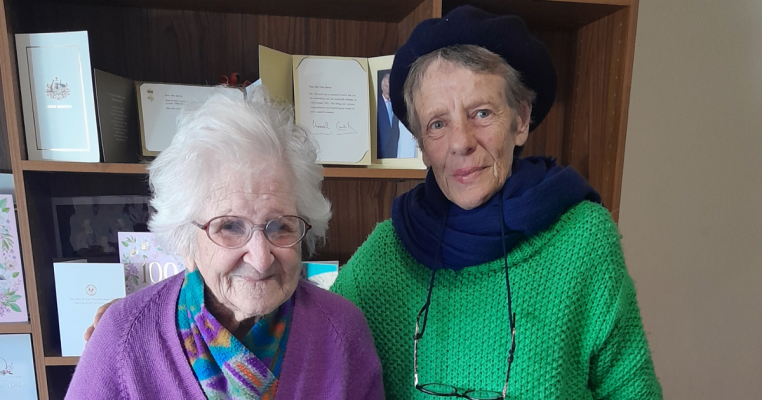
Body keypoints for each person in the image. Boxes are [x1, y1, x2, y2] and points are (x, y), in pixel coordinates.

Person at [330, 6, 662, 400]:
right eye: (437, 124)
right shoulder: (384, 256)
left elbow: (633, 391)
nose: (461, 142)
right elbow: (313, 353)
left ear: (520, 120)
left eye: (482, 113)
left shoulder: (584, 240)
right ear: (422, 146)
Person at [68, 87, 384, 399]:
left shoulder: (341, 332)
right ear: (185, 240)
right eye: (230, 227)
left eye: (280, 227)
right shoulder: (124, 338)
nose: (261, 258)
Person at [377, 72, 401, 158]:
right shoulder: (376, 104)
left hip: (394, 150)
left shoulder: (396, 105)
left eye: (390, 87)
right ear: (382, 87)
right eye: (386, 86)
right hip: (381, 152)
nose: (388, 90)